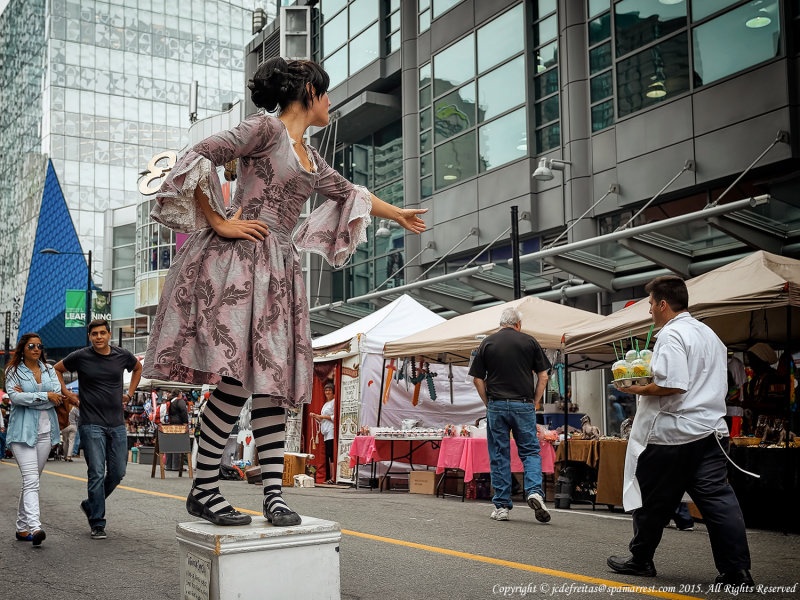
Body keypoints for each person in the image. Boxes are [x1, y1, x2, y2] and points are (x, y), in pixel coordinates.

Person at [141, 56, 426, 528]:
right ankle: (204, 490)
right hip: (238, 263)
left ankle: (273, 495)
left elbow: (349, 191)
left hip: (278, 270)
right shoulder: (265, 129)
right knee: (235, 381)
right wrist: (219, 220)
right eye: (327, 93)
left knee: (271, 382)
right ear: (309, 92)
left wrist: (398, 215)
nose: (330, 102)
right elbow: (201, 151)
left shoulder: (311, 158)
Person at [607, 276, 753, 587]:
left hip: (673, 433)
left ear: (663, 304)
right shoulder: (709, 334)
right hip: (711, 428)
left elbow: (672, 384)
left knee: (650, 499)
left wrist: (636, 388)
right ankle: (736, 571)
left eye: (650, 304)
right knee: (718, 500)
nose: (649, 311)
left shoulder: (672, 335)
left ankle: (641, 559)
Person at [54, 319, 142, 540]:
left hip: (117, 424)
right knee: (95, 473)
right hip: (91, 422)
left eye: (102, 333)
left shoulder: (122, 355)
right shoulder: (81, 356)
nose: (99, 337)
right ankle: (97, 523)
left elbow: (138, 367)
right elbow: (57, 369)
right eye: (94, 334)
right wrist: (68, 393)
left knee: (118, 472)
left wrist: (129, 394)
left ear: (109, 334)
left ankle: (90, 504)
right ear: (90, 336)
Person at [468, 307, 551, 523]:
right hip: (523, 404)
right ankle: (534, 491)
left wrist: (488, 403)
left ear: (501, 323)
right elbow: (543, 376)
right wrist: (536, 401)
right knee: (530, 452)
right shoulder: (530, 341)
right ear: (518, 324)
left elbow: (477, 378)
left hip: (496, 404)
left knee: (499, 454)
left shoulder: (487, 343)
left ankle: (502, 506)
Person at [4, 333, 64, 546]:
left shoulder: (49, 369)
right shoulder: (13, 371)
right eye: (32, 346)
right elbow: (15, 398)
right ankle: (35, 527)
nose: (37, 349)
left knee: (32, 481)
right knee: (31, 480)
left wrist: (35, 398)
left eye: (39, 346)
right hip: (22, 433)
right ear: (23, 348)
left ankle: (21, 528)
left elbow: (57, 397)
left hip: (46, 433)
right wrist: (45, 396)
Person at [310, 382, 336, 484]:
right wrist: (316, 416)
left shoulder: (334, 402)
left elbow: (334, 417)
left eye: (329, 390)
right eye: (326, 390)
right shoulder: (325, 404)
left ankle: (333, 477)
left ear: (333, 391)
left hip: (331, 430)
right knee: (328, 455)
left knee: (331, 454)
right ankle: (330, 477)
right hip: (325, 431)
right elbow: (322, 420)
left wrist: (321, 417)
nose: (327, 392)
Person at [167, 390, 189, 470]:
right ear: (179, 394)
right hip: (178, 424)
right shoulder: (180, 401)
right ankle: (176, 466)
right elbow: (184, 411)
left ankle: (168, 465)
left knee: (170, 445)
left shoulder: (170, 401)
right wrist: (185, 422)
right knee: (177, 445)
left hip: (171, 424)